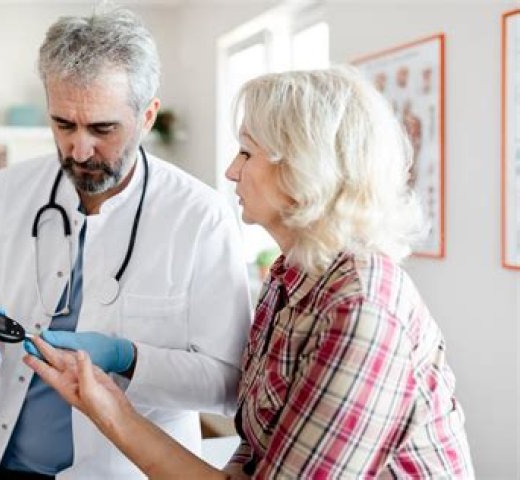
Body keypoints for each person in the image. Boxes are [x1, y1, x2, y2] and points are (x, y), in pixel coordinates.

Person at [24, 67, 475, 479]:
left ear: (304, 167)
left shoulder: (361, 305)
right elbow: (255, 453)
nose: (231, 171)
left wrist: (113, 412)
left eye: (246, 152)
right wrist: (112, 394)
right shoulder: (289, 277)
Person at [0, 6, 251, 479]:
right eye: (63, 125)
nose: (79, 150)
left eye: (102, 129)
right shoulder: (11, 192)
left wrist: (128, 358)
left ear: (147, 116)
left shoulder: (200, 216)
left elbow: (228, 382)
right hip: (4, 467)